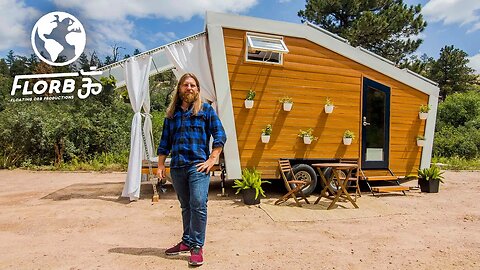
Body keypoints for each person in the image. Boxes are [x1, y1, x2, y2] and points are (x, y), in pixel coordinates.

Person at [156, 73, 226, 266]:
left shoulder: (205, 110)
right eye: (185, 85)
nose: (189, 88)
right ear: (179, 88)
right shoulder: (172, 115)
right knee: (186, 206)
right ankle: (187, 241)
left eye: (193, 85)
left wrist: (213, 158)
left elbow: (220, 134)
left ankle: (196, 246)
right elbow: (165, 142)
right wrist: (161, 165)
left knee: (198, 204)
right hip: (178, 167)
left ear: (197, 89)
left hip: (198, 167)